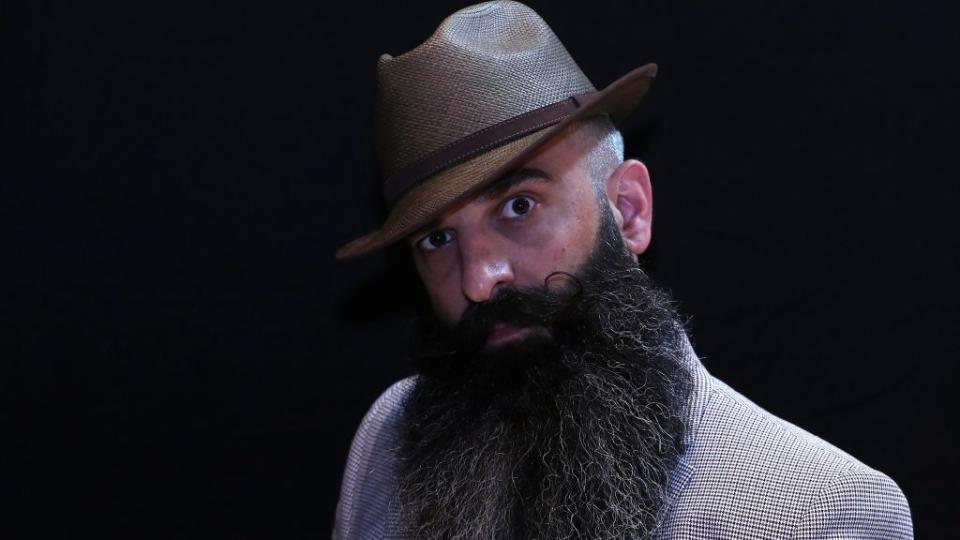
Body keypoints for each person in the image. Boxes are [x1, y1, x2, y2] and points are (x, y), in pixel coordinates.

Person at [332, 1, 913, 538]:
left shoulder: (822, 511)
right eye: (436, 238)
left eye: (519, 206)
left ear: (629, 211)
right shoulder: (387, 439)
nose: (478, 280)